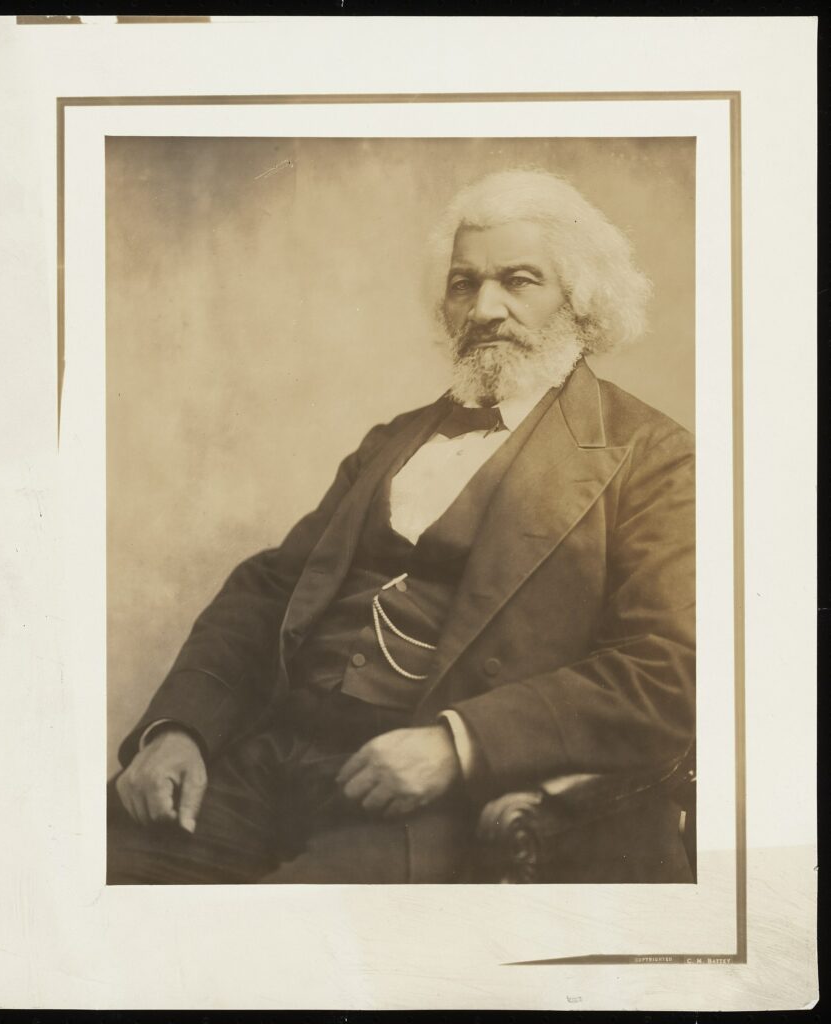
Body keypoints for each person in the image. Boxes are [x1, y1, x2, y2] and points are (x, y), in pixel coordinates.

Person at [107, 167, 695, 884]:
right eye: (463, 284)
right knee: (97, 891)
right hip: (275, 753)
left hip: (437, 801)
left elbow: (667, 668)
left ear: (580, 303)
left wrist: (460, 745)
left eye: (519, 281)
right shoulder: (394, 439)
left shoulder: (649, 455)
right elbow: (270, 590)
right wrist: (179, 729)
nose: (485, 308)